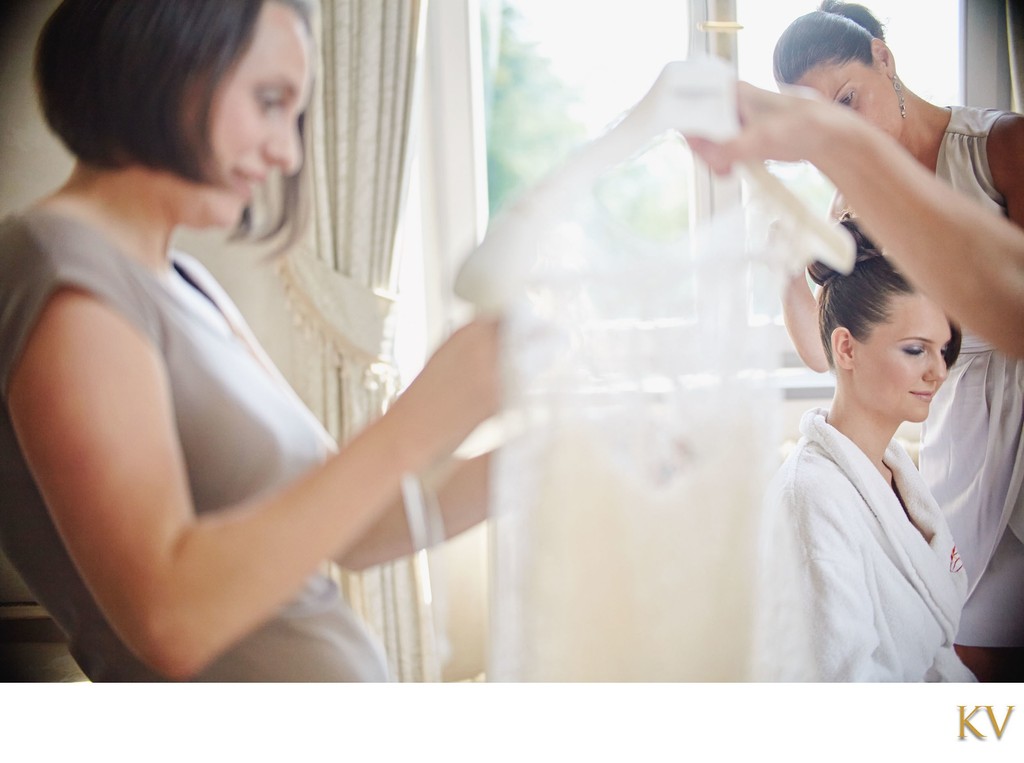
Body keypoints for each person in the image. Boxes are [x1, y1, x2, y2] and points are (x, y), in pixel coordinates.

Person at [0, 0, 499, 681]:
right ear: (166, 62)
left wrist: (551, 450)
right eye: (270, 102)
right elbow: (171, 620)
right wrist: (418, 421)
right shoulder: (59, 265)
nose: (289, 152)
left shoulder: (185, 282)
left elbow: (359, 528)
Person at [705, 1, 1024, 682]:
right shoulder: (850, 208)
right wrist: (790, 275)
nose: (844, 131)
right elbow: (829, 351)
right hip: (959, 442)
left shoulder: (1001, 150)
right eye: (823, 122)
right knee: (969, 652)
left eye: (850, 99)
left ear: (885, 57)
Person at [763, 218, 974, 681]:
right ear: (846, 348)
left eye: (944, 350)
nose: (938, 371)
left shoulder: (893, 473)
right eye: (916, 350)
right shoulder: (812, 499)